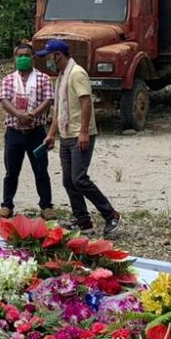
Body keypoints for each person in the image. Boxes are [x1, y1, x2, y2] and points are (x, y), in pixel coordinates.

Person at [40, 39, 121, 237]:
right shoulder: (61, 76)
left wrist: (84, 131)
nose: (47, 61)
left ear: (58, 55)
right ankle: (83, 221)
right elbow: (58, 109)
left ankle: (110, 214)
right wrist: (51, 134)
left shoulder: (76, 74)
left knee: (79, 179)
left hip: (79, 134)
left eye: (48, 57)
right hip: (66, 134)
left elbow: (86, 102)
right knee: (69, 181)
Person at [0, 42, 55, 219]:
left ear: (33, 58)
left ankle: (46, 205)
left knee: (41, 170)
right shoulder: (8, 79)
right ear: (15, 59)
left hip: (36, 132)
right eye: (19, 55)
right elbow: (4, 100)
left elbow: (48, 99)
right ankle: (7, 205)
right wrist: (18, 114)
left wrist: (32, 114)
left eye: (26, 55)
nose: (23, 58)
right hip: (14, 132)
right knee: (11, 172)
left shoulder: (43, 78)